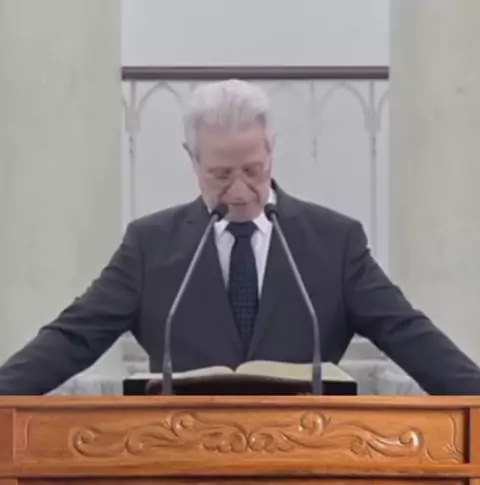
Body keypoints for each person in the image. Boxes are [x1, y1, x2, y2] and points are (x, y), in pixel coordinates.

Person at [0, 78, 480, 396]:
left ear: (272, 149)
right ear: (192, 159)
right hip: (181, 463)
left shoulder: (335, 242)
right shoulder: (150, 246)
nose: (239, 190)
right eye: (220, 174)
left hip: (308, 463)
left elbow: (405, 331)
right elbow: (74, 336)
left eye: (253, 170)